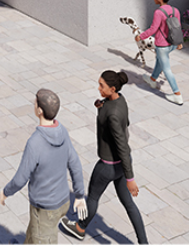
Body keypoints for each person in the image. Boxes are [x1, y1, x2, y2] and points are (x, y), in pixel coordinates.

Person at [60, 70, 147, 243]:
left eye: (102, 86)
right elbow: (125, 123)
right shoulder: (120, 100)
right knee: (128, 204)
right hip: (123, 163)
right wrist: (102, 107)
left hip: (108, 165)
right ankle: (143, 242)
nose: (98, 88)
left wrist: (131, 179)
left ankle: (79, 228)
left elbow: (121, 144)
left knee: (92, 197)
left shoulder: (112, 114)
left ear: (112, 88)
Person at [1, 88, 86, 245]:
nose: (33, 105)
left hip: (45, 208)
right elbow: (75, 164)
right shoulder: (62, 131)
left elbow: (20, 179)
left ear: (39, 110)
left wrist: (5, 192)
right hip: (63, 201)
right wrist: (80, 195)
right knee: (35, 230)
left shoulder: (35, 142)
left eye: (34, 103)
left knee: (42, 234)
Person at [135, 0, 184, 105]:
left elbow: (153, 29)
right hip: (172, 44)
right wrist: (179, 42)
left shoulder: (158, 12)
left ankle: (177, 95)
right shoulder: (175, 10)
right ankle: (152, 80)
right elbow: (177, 28)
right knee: (159, 60)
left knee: (166, 68)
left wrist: (140, 36)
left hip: (162, 45)